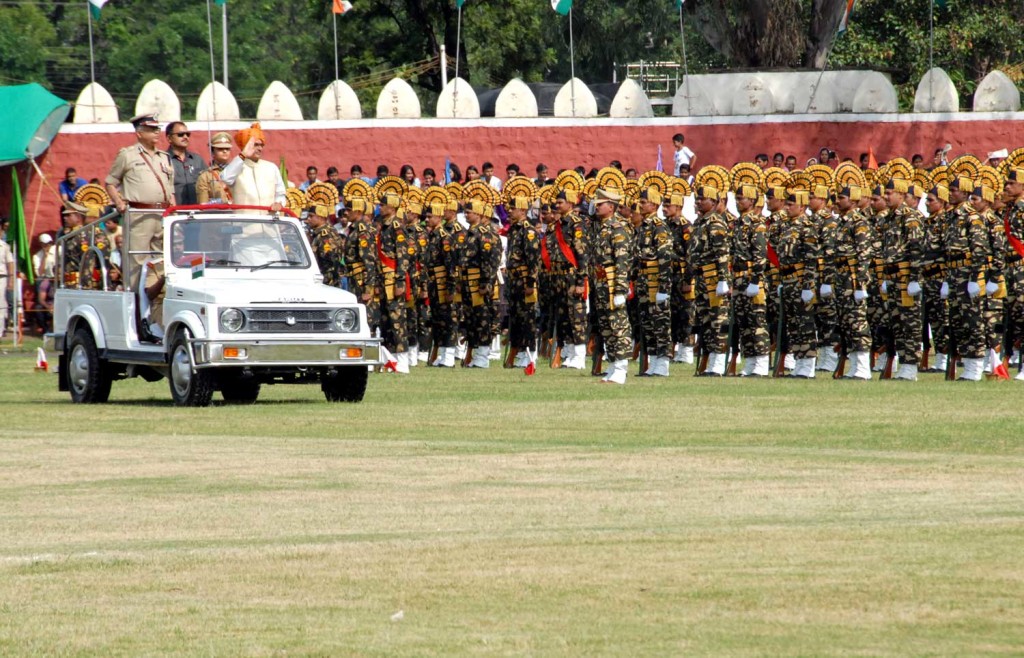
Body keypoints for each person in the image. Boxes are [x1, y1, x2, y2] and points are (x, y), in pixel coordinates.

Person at [105, 113, 175, 318]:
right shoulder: (128, 155)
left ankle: (156, 312)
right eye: (152, 129)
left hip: (161, 214)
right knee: (136, 265)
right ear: (139, 132)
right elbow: (110, 182)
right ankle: (135, 316)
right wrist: (119, 202)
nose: (157, 132)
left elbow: (170, 190)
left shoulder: (164, 157)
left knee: (162, 263)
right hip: (138, 214)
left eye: (157, 129)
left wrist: (173, 209)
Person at [590, 188, 633, 384]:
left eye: (601, 203)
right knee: (606, 326)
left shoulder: (617, 228)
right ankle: (613, 364)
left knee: (618, 325)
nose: (597, 206)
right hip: (600, 283)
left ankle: (621, 367)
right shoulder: (601, 227)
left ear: (611, 207)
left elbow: (622, 261)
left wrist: (620, 290)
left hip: (612, 282)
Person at [689, 185, 731, 376]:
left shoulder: (715, 223)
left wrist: (723, 279)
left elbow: (722, 254)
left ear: (714, 202)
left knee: (718, 321)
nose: (698, 202)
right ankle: (708, 361)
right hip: (701, 279)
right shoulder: (699, 222)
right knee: (705, 321)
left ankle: (718, 363)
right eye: (697, 199)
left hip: (714, 278)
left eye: (702, 199)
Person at [731, 184, 771, 377]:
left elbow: (760, 255)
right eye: (737, 199)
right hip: (738, 279)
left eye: (742, 199)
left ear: (752, 201)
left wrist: (755, 280)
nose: (738, 202)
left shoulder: (757, 224)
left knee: (757, 322)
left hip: (751, 278)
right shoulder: (738, 223)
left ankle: (762, 364)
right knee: (743, 323)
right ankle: (750, 362)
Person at [634, 188, 674, 376]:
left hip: (655, 281)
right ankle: (654, 360)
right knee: (648, 323)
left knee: (660, 322)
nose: (639, 205)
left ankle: (663, 362)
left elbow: (665, 257)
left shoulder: (659, 226)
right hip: (643, 281)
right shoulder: (643, 226)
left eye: (643, 202)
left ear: (654, 204)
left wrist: (663, 288)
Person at [220, 123, 286, 212]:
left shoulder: (271, 168)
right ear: (245, 146)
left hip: (269, 223)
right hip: (244, 224)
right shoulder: (237, 167)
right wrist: (243, 155)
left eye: (261, 145)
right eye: (256, 145)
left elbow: (281, 193)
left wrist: (279, 203)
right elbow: (225, 178)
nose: (260, 148)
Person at [164, 121, 206, 205]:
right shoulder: (163, 159)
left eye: (188, 134)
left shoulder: (197, 159)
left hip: (197, 212)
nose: (185, 137)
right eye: (180, 134)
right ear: (169, 138)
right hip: (175, 213)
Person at [195, 132, 234, 204]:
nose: (225, 151)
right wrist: (220, 202)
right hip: (216, 213)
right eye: (220, 149)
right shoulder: (205, 176)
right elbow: (203, 204)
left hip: (237, 213)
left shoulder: (236, 172)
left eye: (227, 149)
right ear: (212, 152)